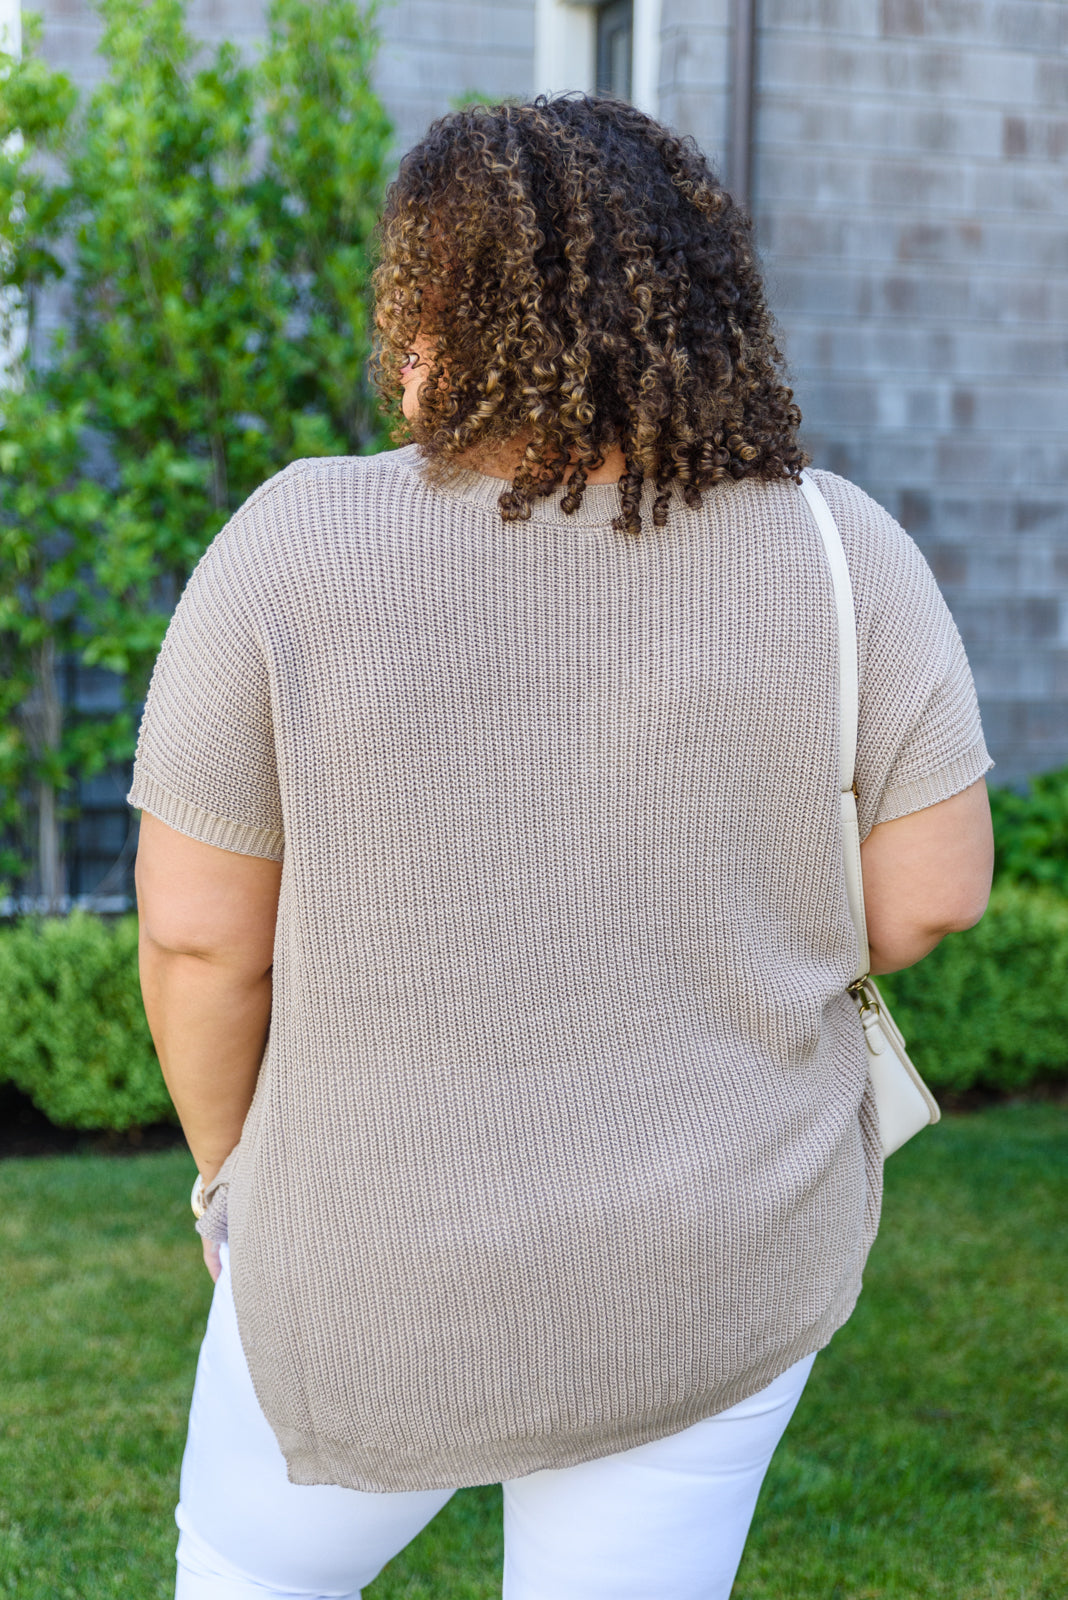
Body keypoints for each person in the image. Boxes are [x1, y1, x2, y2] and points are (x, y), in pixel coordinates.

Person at [130, 95, 994, 1600]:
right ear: (696, 298)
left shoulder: (291, 542)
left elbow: (203, 939)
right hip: (713, 1254)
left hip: (359, 1253)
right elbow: (932, 898)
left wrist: (226, 1183)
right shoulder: (840, 545)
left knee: (252, 1578)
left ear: (431, 313)